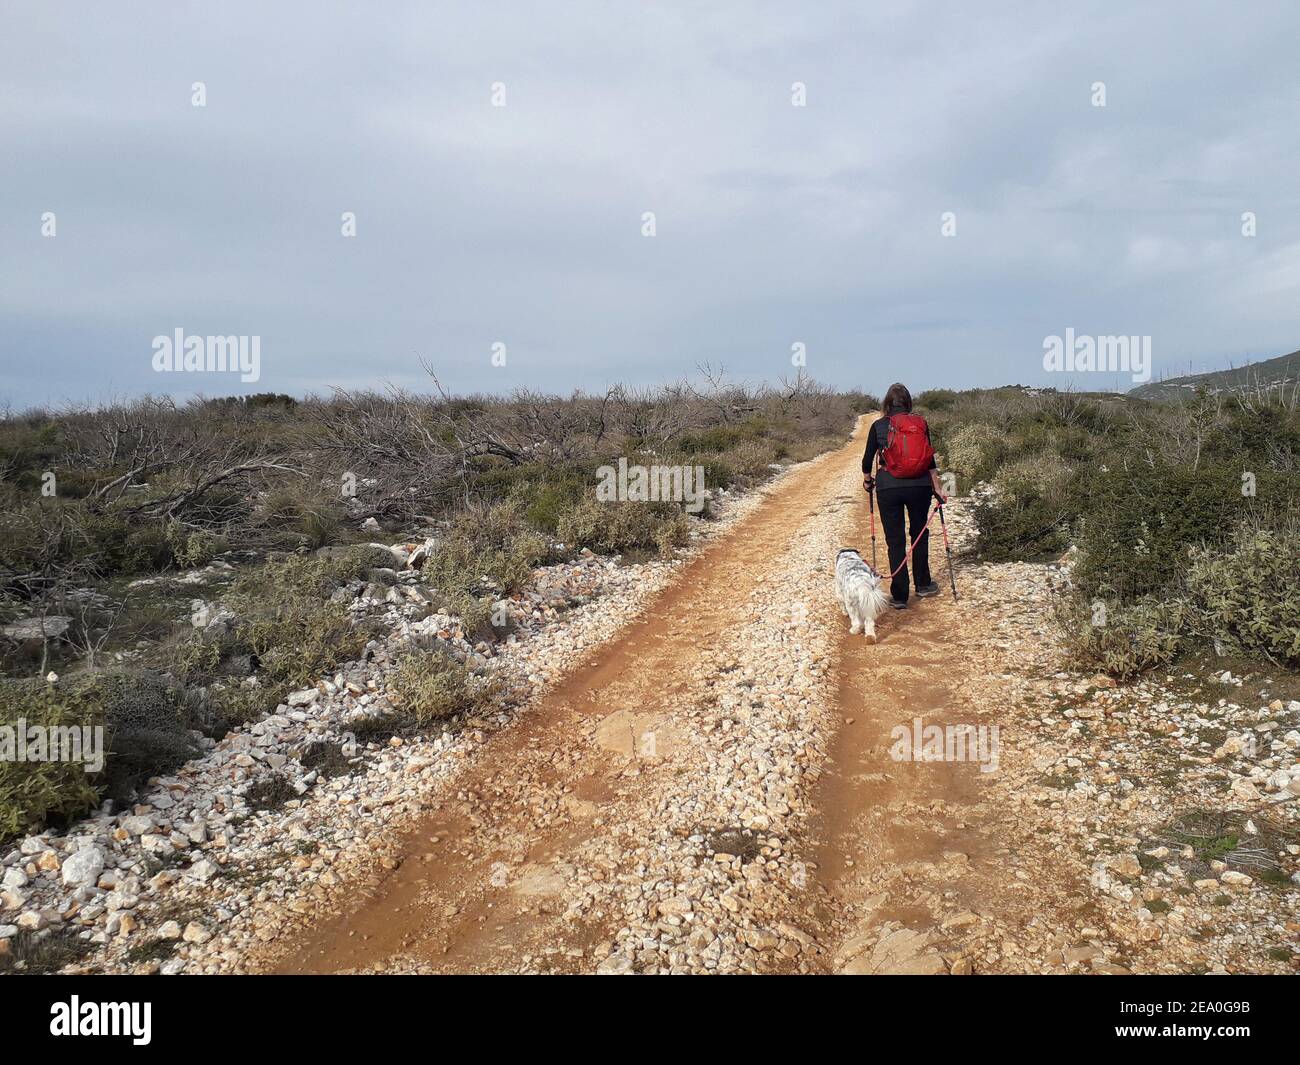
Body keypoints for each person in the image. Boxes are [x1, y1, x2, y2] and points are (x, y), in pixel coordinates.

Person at [861, 383, 946, 608]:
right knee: (919, 533)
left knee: (895, 539)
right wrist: (937, 487)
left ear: (887, 403)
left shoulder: (879, 425)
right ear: (908, 403)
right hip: (920, 485)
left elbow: (867, 460)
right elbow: (929, 459)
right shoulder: (920, 423)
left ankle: (899, 596)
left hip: (889, 486)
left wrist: (868, 481)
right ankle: (923, 584)